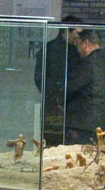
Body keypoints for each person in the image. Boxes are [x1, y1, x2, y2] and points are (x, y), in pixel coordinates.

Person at [35, 15, 83, 145]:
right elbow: (40, 78)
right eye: (78, 33)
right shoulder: (49, 49)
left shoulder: (73, 50)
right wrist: (55, 95)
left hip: (70, 106)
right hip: (54, 105)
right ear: (67, 31)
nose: (80, 36)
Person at [63, 27, 105, 145]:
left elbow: (71, 87)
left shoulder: (88, 63)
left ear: (86, 43)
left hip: (82, 125)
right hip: (100, 122)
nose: (77, 49)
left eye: (77, 44)